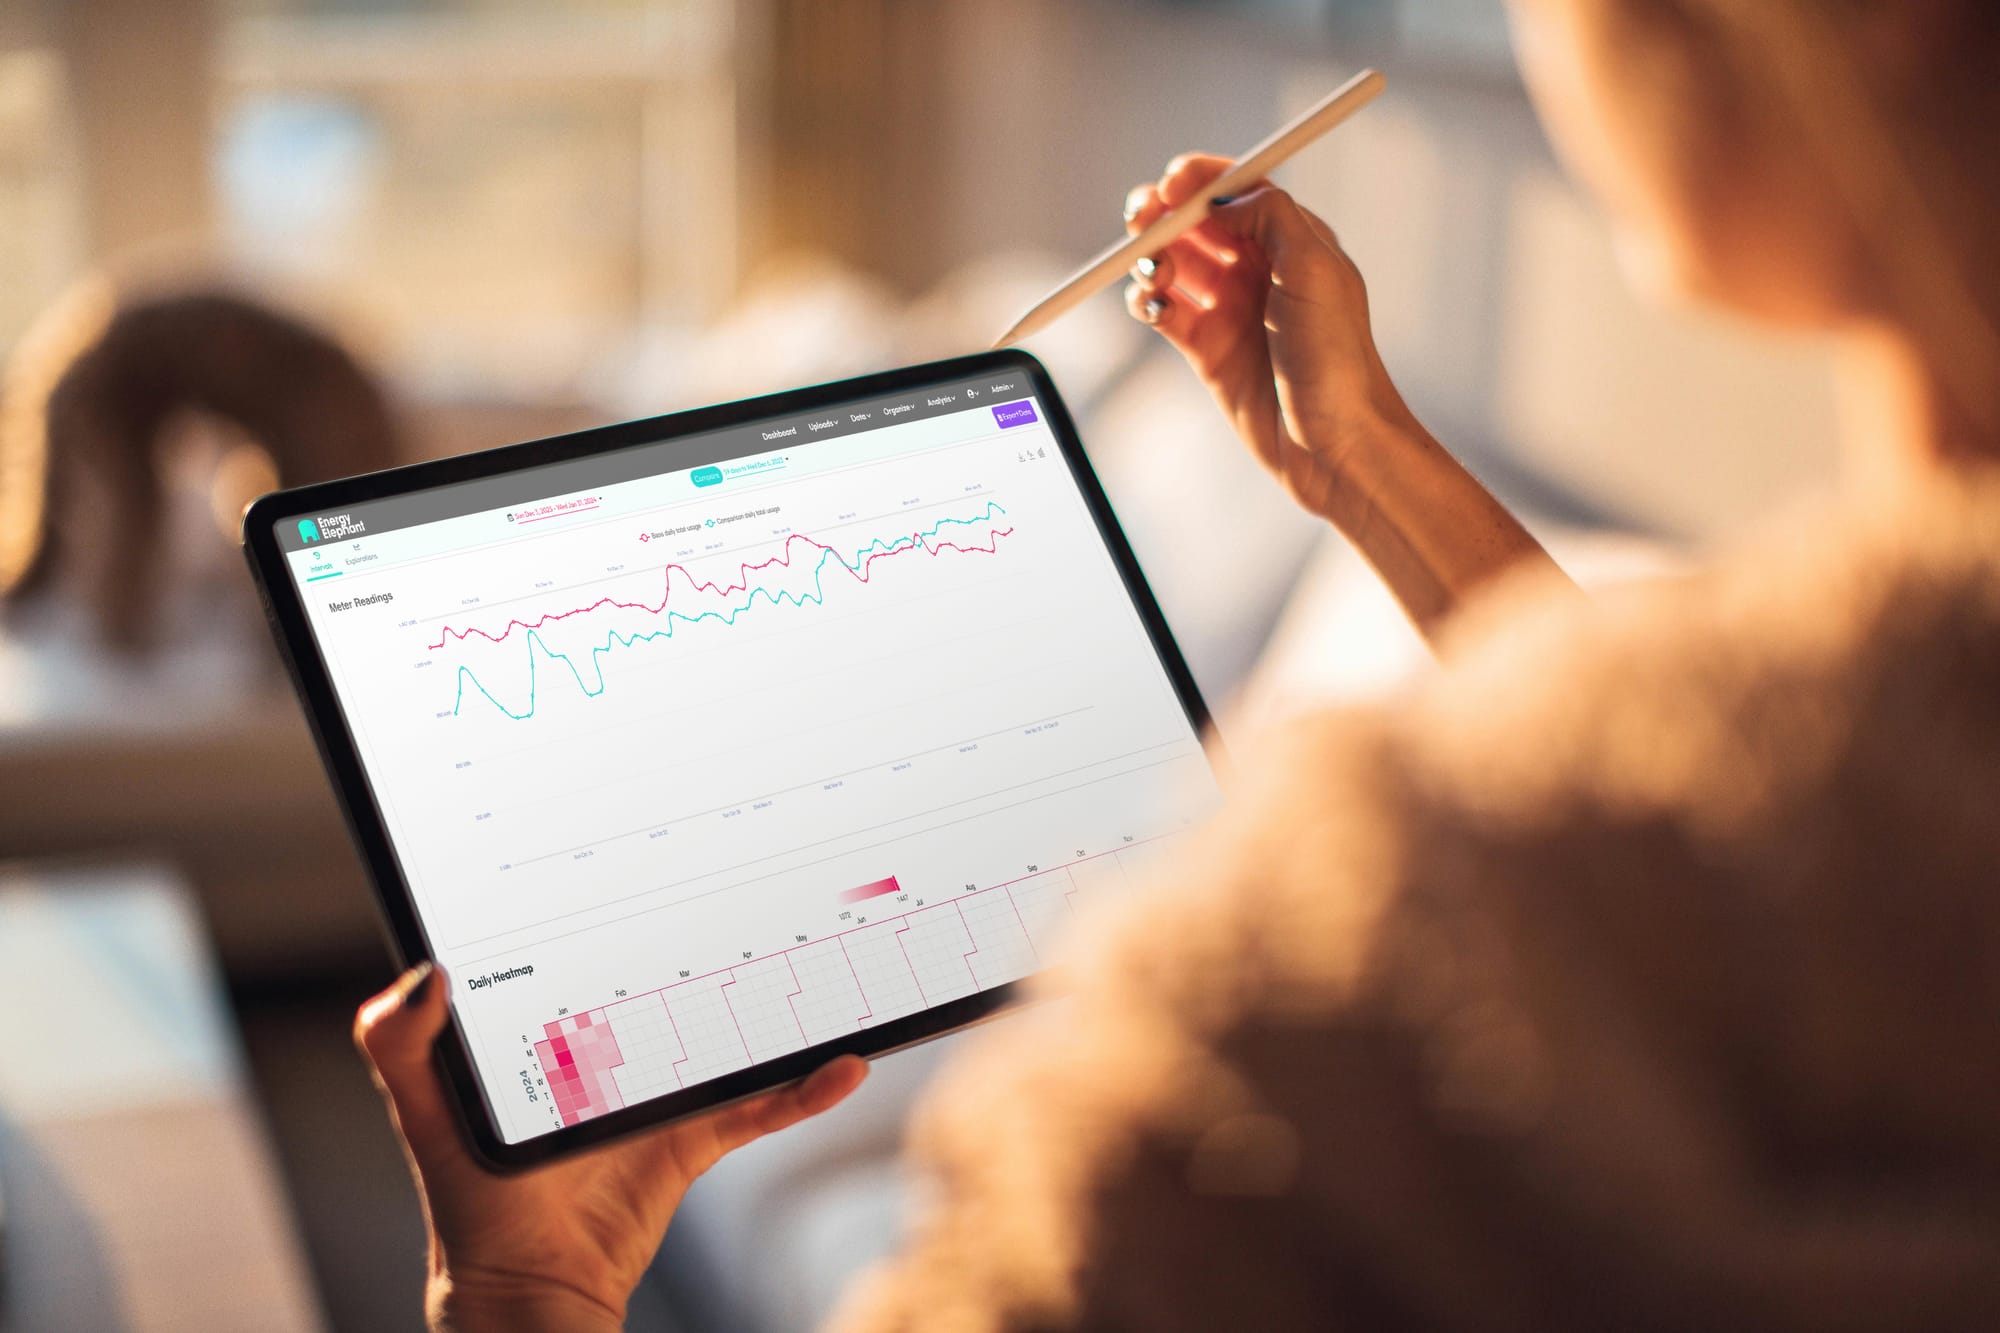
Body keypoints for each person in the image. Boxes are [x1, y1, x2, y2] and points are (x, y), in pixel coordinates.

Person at [356, 0, 2000, 1327]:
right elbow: (1709, 830)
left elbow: (1638, 857)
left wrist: (529, 1288)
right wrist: (1360, 458)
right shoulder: (1794, 834)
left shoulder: (1348, 973)